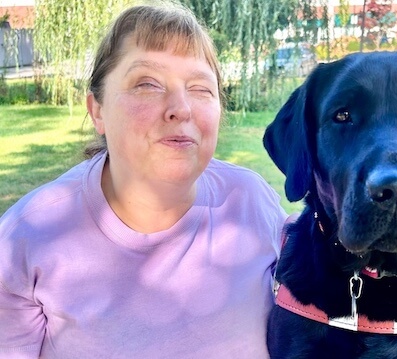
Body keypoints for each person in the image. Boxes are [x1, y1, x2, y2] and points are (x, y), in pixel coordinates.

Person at [0, 4, 287, 358]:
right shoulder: (26, 238)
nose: (181, 107)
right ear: (97, 110)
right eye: (147, 83)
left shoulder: (253, 202)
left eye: (200, 88)